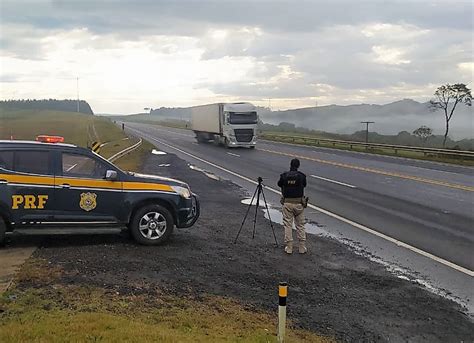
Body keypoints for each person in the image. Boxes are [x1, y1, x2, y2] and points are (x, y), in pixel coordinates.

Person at [277, 158, 307, 254]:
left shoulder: (284, 176)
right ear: (298, 166)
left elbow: (279, 184)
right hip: (299, 204)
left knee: (288, 225)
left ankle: (289, 247)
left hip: (287, 203)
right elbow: (304, 185)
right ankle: (302, 247)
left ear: (290, 165)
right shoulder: (302, 176)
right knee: (300, 225)